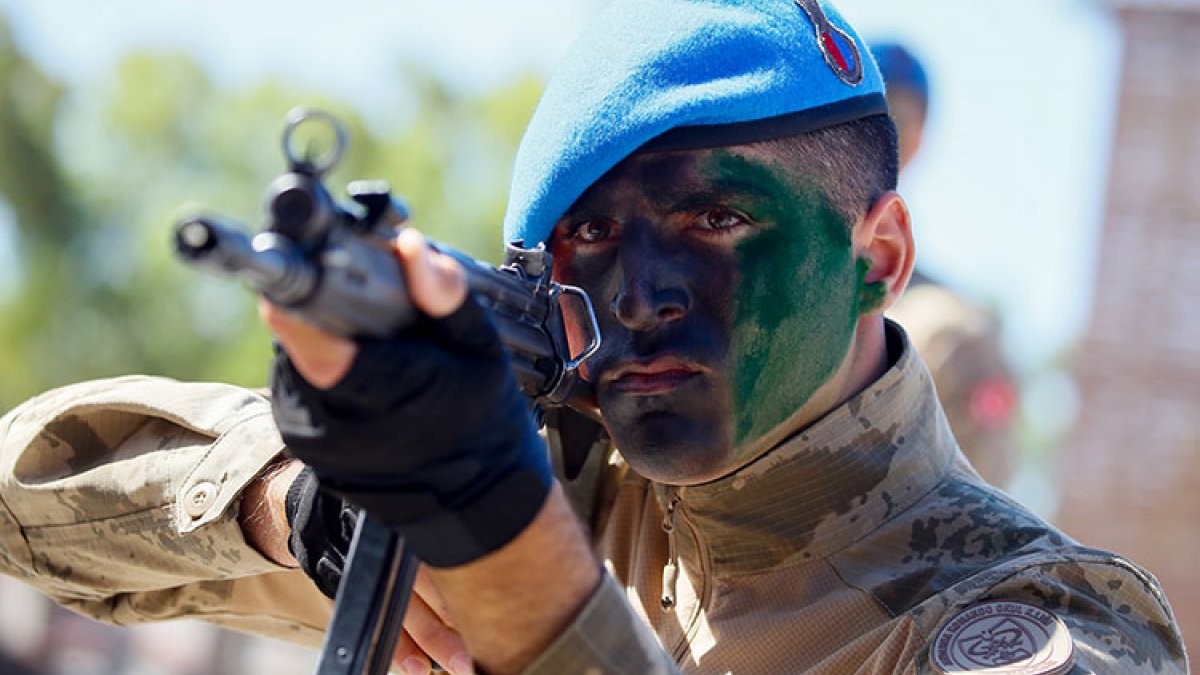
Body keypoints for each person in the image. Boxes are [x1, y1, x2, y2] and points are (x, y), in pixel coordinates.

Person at [0, 1, 1187, 674]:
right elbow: (23, 497)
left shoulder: (1029, 617)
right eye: (591, 237)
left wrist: (504, 541)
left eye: (717, 220)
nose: (641, 295)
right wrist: (295, 502)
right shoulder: (566, 463)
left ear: (877, 254)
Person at [873, 41, 1022, 488]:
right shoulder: (746, 270)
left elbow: (982, 493)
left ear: (918, 138)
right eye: (867, 116)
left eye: (896, 119)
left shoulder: (954, 331)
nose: (877, 136)